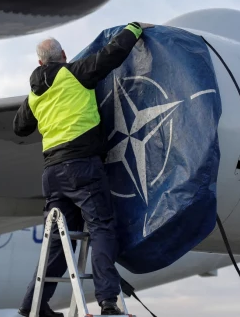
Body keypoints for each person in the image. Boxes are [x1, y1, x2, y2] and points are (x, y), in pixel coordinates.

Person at [13, 22, 149, 317]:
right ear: (64, 54)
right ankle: (108, 302)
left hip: (52, 174)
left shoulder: (34, 95)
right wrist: (134, 29)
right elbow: (112, 55)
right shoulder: (74, 73)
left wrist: (38, 104)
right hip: (82, 167)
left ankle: (32, 305)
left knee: (58, 242)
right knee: (101, 228)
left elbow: (19, 127)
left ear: (39, 62)